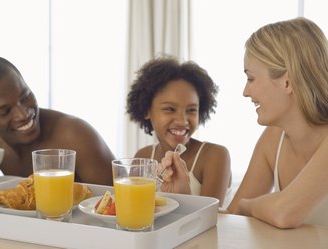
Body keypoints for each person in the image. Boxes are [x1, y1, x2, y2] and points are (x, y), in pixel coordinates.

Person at [158, 17, 328, 228]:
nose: (246, 92)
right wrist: (186, 197)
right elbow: (232, 217)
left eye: (251, 78)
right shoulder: (273, 140)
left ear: (287, 81)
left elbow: (284, 213)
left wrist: (248, 206)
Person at [0, 56, 115, 185]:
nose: (23, 114)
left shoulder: (74, 135)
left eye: (26, 97)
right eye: (6, 111)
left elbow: (119, 202)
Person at [126, 56, 232, 207]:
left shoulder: (214, 156)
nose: (182, 121)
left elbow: (210, 218)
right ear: (146, 110)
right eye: (170, 109)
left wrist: (184, 195)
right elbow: (134, 209)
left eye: (191, 110)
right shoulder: (142, 157)